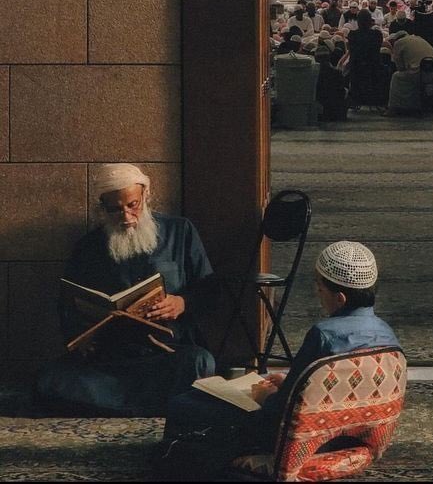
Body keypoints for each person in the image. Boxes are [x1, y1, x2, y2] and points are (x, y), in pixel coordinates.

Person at [163, 242, 399, 468]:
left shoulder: (324, 335)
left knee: (183, 404)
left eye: (320, 288)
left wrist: (266, 396)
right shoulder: (387, 335)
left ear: (340, 299)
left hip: (291, 438)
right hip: (345, 437)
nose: (318, 295)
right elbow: (327, 384)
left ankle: (172, 462)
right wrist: (289, 381)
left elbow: (280, 412)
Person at [36, 164, 216, 416]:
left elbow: (210, 291)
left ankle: (113, 405)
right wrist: (80, 337)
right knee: (50, 380)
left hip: (166, 350)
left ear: (146, 196)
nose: (126, 216)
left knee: (200, 362)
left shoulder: (180, 231)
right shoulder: (89, 247)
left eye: (132, 205)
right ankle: (153, 403)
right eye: (115, 209)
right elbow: (68, 305)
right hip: (112, 356)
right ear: (102, 208)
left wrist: (181, 302)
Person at [386, 31, 433, 114]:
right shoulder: (419, 38)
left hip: (420, 73)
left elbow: (400, 68)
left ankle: (395, 108)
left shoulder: (399, 43)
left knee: (396, 76)